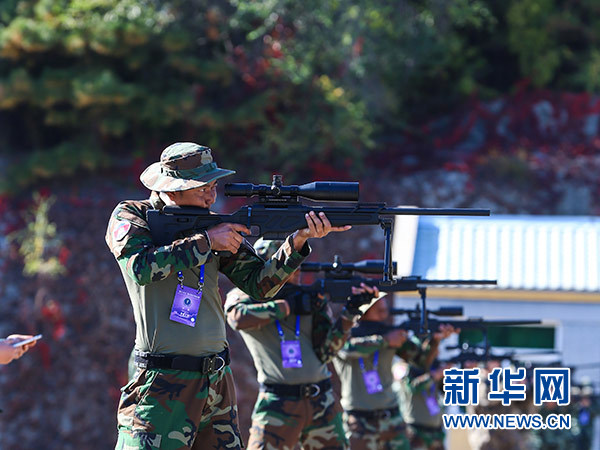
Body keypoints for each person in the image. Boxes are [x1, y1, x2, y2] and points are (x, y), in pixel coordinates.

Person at [106, 142, 350, 450]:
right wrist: (206, 242)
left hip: (216, 380)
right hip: (163, 380)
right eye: (202, 188)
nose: (212, 196)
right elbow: (140, 267)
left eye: (213, 186)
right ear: (174, 189)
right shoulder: (133, 215)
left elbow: (260, 285)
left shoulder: (212, 225)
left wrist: (297, 241)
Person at [225, 239, 375, 449]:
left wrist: (350, 313)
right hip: (278, 401)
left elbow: (327, 352)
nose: (295, 272)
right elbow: (237, 318)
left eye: (296, 265)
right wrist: (288, 306)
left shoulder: (308, 298)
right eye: (286, 265)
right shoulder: (244, 296)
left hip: (321, 401)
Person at [332, 295, 457, 450]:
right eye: (377, 299)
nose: (383, 302)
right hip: (359, 421)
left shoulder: (391, 334)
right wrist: (384, 340)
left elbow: (421, 361)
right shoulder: (345, 333)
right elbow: (344, 348)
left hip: (391, 420)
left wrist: (435, 341)